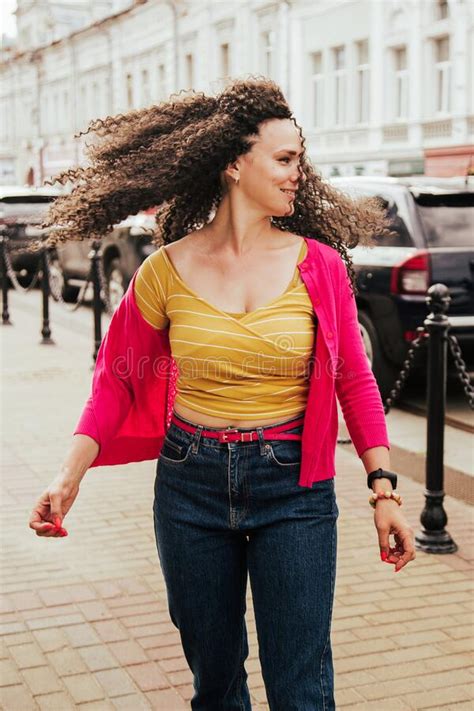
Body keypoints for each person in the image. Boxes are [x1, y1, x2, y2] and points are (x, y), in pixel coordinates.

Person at [29, 78, 416, 710]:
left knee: (301, 688)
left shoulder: (317, 264)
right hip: (190, 485)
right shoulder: (165, 269)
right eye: (284, 159)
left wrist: (384, 489)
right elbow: (117, 378)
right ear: (235, 164)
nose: (298, 173)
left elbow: (355, 379)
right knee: (215, 683)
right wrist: (68, 478)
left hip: (294, 487)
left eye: (300, 159)